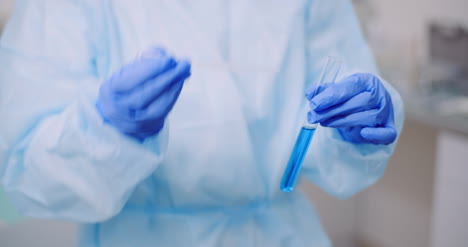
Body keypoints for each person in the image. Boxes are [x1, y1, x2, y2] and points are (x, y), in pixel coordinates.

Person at [0, 0, 404, 246]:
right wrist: (105, 130)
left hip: (279, 236)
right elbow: (22, 165)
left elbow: (338, 85)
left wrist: (356, 128)